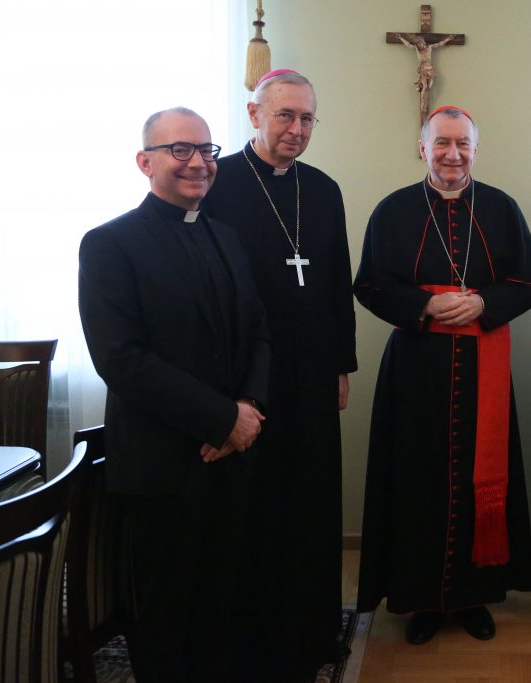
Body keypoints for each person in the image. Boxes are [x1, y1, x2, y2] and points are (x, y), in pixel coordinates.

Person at [78, 107, 270, 681]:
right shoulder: (110, 244)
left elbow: (257, 331)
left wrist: (248, 412)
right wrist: (219, 420)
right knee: (163, 611)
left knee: (221, 600)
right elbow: (120, 358)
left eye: (207, 151)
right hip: (163, 461)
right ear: (145, 162)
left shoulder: (227, 238)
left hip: (229, 456)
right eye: (180, 150)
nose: (198, 163)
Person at [354, 105, 531, 645]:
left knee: (478, 478)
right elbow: (369, 285)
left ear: (475, 150)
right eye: (442, 143)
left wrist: (485, 301)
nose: (452, 153)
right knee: (417, 477)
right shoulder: (393, 210)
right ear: (423, 148)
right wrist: (426, 307)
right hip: (417, 370)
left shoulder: (500, 208)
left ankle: (473, 597)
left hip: (484, 363)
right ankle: (422, 600)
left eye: (463, 144)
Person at [201, 69, 357, 683]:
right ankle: (255, 634)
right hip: (247, 373)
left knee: (312, 496)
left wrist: (342, 363)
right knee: (257, 501)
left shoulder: (323, 189)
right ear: (254, 112)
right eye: (285, 115)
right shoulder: (219, 183)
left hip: (315, 368)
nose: (296, 129)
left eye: (307, 119)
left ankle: (313, 629)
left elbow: (337, 279)